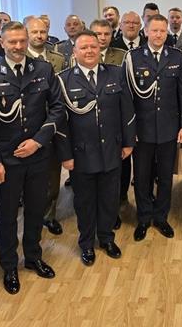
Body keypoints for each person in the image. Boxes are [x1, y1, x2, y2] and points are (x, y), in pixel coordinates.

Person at [0, 21, 64, 295]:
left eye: (21, 41)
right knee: (8, 214)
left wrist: (38, 141)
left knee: (36, 209)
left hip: (37, 154)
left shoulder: (43, 69)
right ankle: (9, 265)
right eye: (12, 42)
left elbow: (58, 108)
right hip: (6, 159)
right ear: (1, 42)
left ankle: (33, 256)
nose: (17, 46)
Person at [57, 31, 136, 266]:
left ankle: (106, 238)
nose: (89, 51)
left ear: (99, 49)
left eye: (93, 46)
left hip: (112, 150)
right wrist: (65, 155)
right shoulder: (63, 80)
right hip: (81, 154)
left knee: (110, 199)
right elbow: (60, 122)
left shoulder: (116, 73)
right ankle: (86, 243)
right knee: (85, 202)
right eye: (84, 47)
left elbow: (127, 110)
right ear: (74, 52)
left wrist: (128, 142)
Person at [125, 14, 182, 241]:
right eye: (154, 30)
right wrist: (129, 130)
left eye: (162, 31)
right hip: (141, 130)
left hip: (168, 129)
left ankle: (161, 217)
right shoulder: (133, 58)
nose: (158, 35)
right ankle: (144, 217)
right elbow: (127, 97)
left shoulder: (177, 56)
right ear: (145, 31)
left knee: (165, 177)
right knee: (142, 176)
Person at [25, 16, 67, 235]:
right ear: (26, 33)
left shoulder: (58, 58)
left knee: (52, 174)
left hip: (54, 124)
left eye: (42, 32)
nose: (39, 36)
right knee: (29, 178)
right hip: (27, 126)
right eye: (34, 32)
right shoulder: (19, 58)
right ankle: (31, 216)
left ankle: (49, 215)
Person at [90, 18, 129, 210]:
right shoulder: (79, 56)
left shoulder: (122, 56)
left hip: (116, 120)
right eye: (98, 34)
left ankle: (120, 198)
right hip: (91, 123)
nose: (102, 38)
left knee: (121, 164)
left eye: (106, 34)